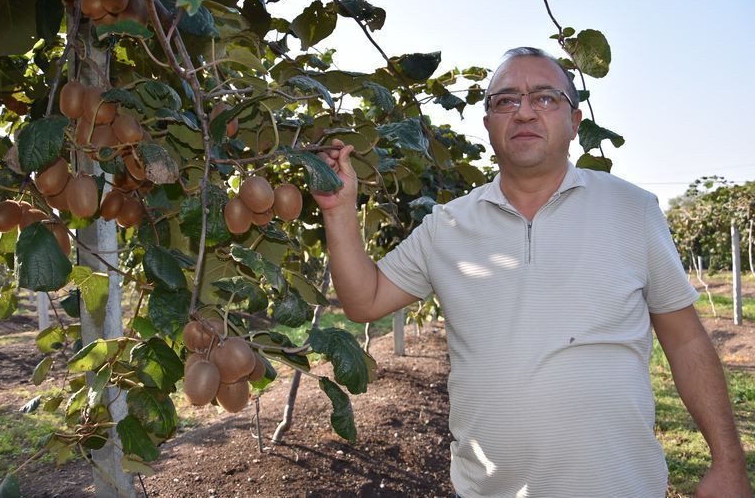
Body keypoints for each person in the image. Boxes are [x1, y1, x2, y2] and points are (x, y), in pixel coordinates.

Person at [312, 47, 752, 497]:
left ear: (575, 121)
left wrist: (729, 462)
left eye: (544, 97)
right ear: (487, 126)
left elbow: (686, 340)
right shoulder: (448, 226)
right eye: (505, 101)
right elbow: (364, 300)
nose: (523, 111)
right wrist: (339, 210)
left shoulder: (632, 211)